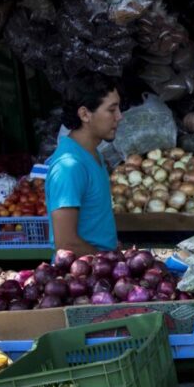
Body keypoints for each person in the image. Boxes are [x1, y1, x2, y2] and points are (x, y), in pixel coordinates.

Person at [46, 73, 122, 255]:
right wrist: (111, 262)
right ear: (85, 114)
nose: (119, 117)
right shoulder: (69, 166)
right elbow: (66, 244)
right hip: (82, 277)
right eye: (112, 110)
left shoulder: (94, 154)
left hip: (100, 271)